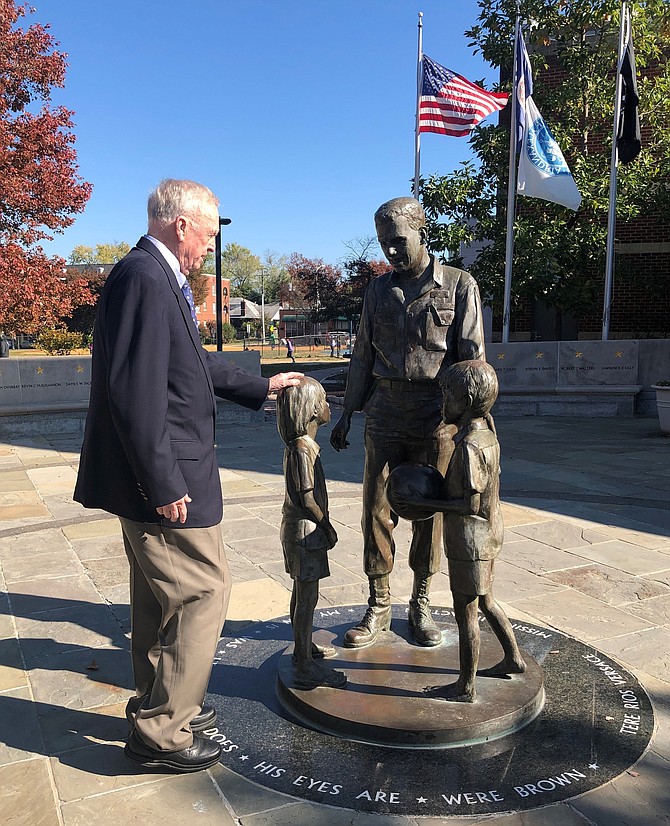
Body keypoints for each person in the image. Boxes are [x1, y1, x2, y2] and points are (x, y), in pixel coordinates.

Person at [73, 179, 302, 773]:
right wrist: (164, 480)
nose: (209, 243)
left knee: (159, 597)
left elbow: (188, 365)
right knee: (204, 590)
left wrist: (260, 385)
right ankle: (163, 732)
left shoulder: (157, 277)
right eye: (208, 230)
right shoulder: (145, 279)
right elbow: (133, 392)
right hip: (166, 478)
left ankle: (164, 705)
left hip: (165, 472)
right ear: (182, 224)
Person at [330, 196, 485, 649]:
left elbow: (472, 361)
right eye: (383, 244)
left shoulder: (459, 285)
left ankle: (420, 602)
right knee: (375, 508)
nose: (391, 251)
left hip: (436, 415)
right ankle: (379, 603)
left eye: (397, 240)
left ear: (422, 231)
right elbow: (362, 356)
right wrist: (347, 412)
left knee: (429, 510)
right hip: (384, 411)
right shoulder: (377, 292)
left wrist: (474, 422)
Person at [396, 361, 526, 702]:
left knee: (466, 611)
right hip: (488, 534)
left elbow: (469, 505)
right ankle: (513, 658)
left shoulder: (467, 446)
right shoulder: (487, 436)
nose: (442, 403)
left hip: (470, 539)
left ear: (465, 400)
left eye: (446, 395)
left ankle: (465, 686)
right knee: (487, 601)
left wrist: (427, 503)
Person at [276, 376, 346, 689]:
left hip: (298, 530)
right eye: (325, 401)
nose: (330, 406)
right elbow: (306, 498)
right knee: (307, 596)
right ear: (312, 411)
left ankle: (303, 648)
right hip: (306, 531)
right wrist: (327, 525)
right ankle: (304, 664)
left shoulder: (300, 446)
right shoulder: (303, 450)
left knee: (302, 591)